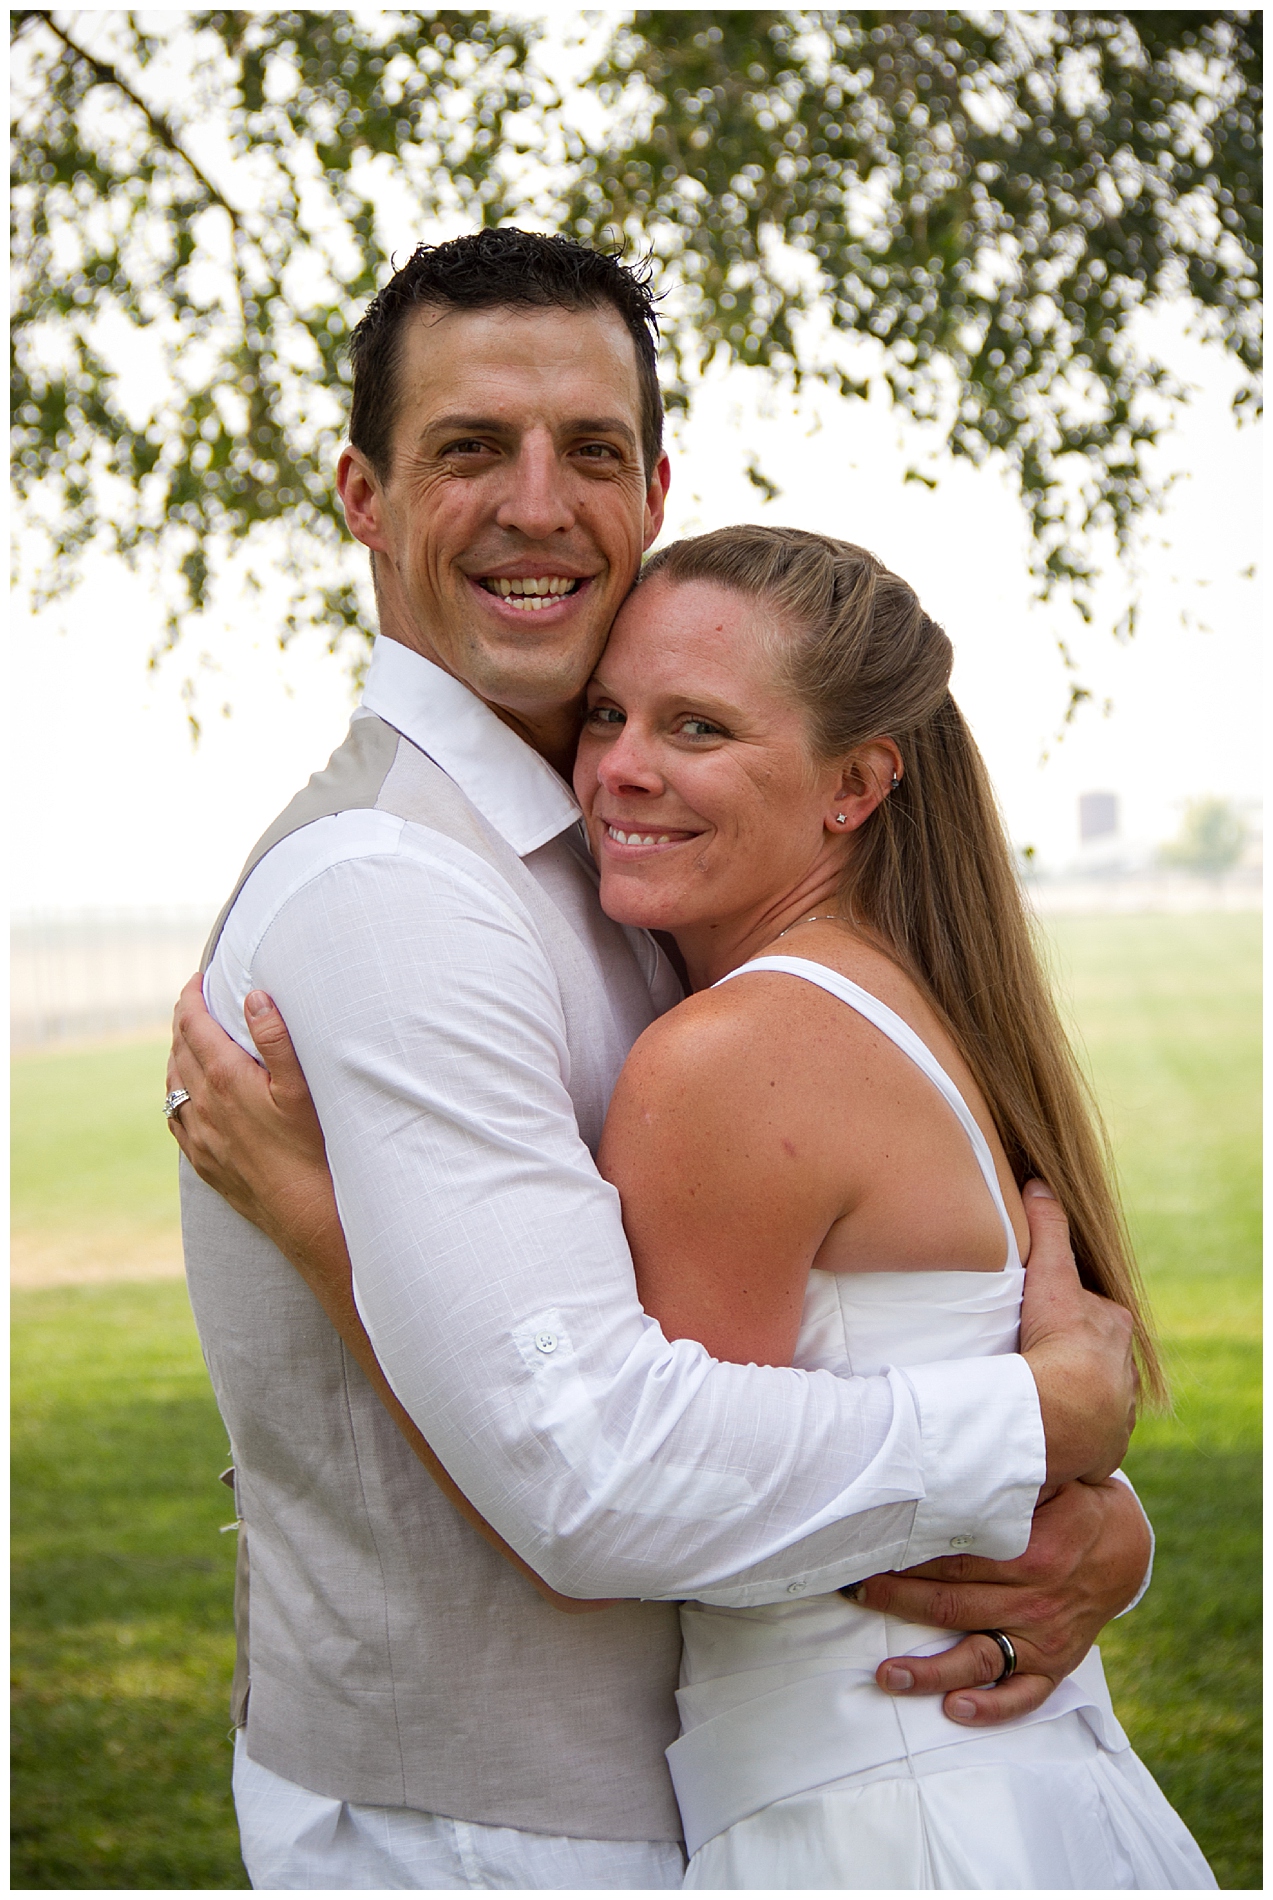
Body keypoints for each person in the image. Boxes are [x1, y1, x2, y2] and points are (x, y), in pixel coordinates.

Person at [167, 228, 1149, 1891]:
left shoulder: (647, 879)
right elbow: (590, 1472)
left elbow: (857, 1305)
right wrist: (1030, 1423)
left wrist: (1092, 1520)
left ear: (651, 490)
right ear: (363, 498)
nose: (537, 504)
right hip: (483, 1833)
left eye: (592, 451)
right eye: (469, 449)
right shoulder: (399, 892)